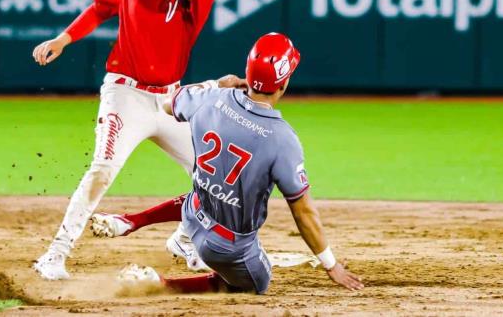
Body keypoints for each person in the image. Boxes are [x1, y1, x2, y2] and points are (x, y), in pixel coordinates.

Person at [91, 33, 365, 293]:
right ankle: (163, 284)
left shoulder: (211, 98)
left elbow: (166, 104)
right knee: (257, 283)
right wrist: (331, 264)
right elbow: (303, 212)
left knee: (207, 192)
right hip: (226, 246)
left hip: (193, 213)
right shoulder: (283, 139)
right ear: (283, 83)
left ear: (248, 72)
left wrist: (214, 85)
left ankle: (131, 221)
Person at [31, 0, 216, 280]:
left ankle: (185, 240)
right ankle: (55, 255)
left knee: (213, 176)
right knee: (102, 170)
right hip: (125, 94)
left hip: (170, 101)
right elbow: (100, 8)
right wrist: (63, 39)